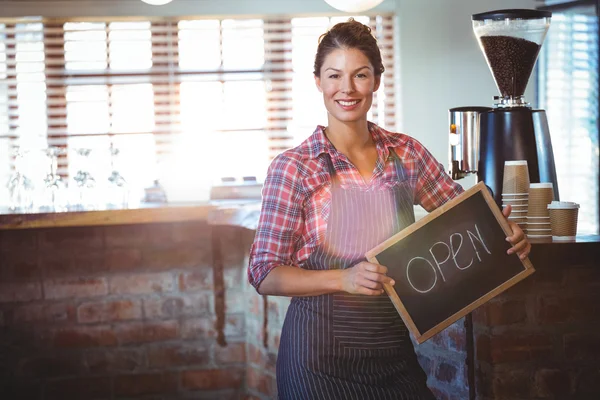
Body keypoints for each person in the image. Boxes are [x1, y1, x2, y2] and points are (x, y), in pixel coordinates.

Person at [248, 18, 530, 400]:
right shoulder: (294, 167)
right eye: (334, 76)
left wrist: (505, 234)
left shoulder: (406, 153)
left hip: (392, 355)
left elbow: (466, 216)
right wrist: (343, 279)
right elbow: (264, 273)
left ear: (376, 81)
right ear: (318, 81)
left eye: (360, 75)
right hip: (317, 361)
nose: (346, 89)